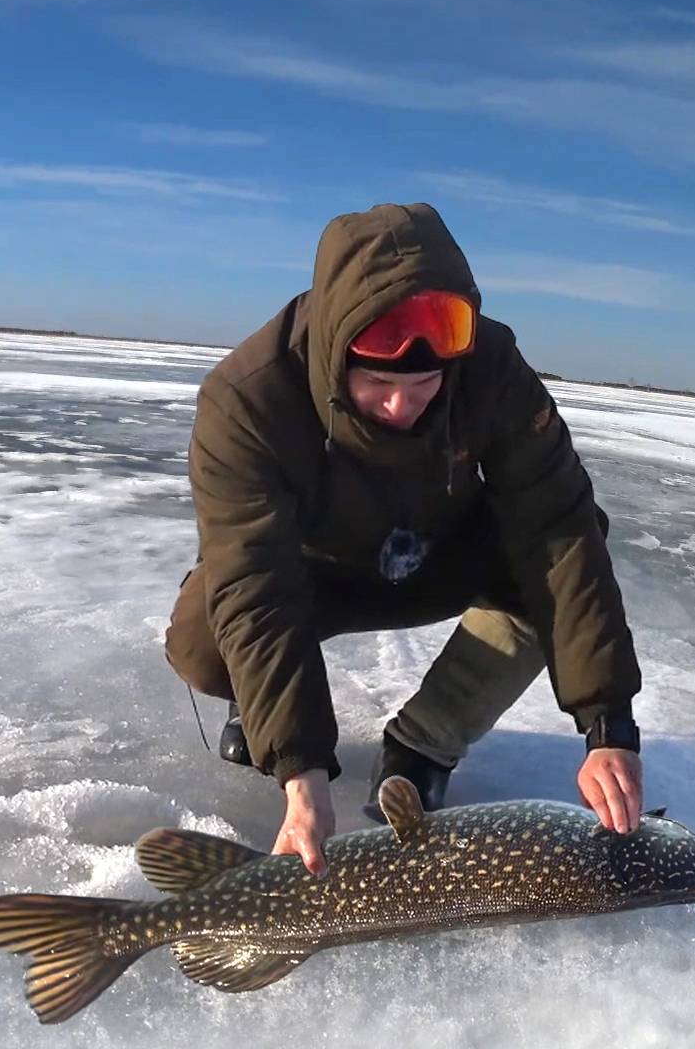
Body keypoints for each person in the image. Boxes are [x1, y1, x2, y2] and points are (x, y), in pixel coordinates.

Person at [163, 202, 644, 877]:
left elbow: (559, 530)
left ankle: (425, 744)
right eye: (381, 385)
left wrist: (608, 727)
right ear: (337, 354)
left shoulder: (491, 368)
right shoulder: (246, 400)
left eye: (424, 385)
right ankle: (265, 705)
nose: (402, 405)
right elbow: (256, 585)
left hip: (433, 557)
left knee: (566, 547)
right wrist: (300, 769)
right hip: (309, 577)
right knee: (205, 632)